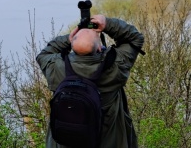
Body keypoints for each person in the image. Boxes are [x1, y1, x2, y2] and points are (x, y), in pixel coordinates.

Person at [36, 15, 144, 148]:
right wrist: (107, 24)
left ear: (73, 45)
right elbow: (135, 39)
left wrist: (69, 39)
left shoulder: (56, 66)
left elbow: (44, 54)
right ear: (99, 48)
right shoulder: (116, 65)